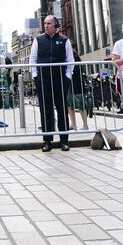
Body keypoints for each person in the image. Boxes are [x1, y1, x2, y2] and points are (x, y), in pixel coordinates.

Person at [29, 16, 74, 152]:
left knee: (62, 109)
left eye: (49, 23)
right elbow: (33, 59)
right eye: (45, 23)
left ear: (55, 25)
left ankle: (64, 141)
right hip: (43, 80)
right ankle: (47, 141)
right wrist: (35, 76)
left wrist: (67, 77)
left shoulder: (64, 40)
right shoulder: (38, 40)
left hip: (60, 79)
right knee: (45, 110)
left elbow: (70, 60)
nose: (46, 25)